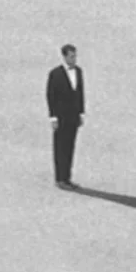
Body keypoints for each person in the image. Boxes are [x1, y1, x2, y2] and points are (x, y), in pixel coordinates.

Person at [45, 44, 85, 190]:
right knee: (60, 147)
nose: (74, 59)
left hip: (73, 116)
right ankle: (59, 178)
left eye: (75, 56)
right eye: (71, 56)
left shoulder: (79, 71)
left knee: (70, 147)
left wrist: (81, 113)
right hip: (61, 116)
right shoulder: (55, 74)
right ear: (64, 57)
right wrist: (53, 117)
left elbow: (80, 93)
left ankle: (67, 177)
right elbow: (51, 96)